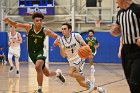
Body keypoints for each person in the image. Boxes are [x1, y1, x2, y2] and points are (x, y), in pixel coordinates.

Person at [3, 12, 65, 93]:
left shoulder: (45, 31)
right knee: (47, 73)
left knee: (37, 66)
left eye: (40, 20)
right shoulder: (28, 27)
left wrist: (57, 40)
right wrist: (8, 20)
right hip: (32, 53)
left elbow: (57, 36)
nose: (39, 22)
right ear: (33, 21)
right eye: (37, 20)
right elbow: (15, 24)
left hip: (40, 52)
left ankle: (39, 89)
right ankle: (58, 73)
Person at [55, 23, 105, 93]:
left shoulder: (76, 36)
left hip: (79, 57)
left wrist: (89, 51)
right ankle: (99, 89)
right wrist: (59, 45)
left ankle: (88, 81)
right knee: (81, 83)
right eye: (62, 29)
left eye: (65, 29)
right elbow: (63, 55)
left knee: (70, 73)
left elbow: (85, 45)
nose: (63, 30)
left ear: (69, 30)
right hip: (71, 61)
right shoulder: (61, 40)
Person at [110, 0, 140, 93]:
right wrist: (115, 30)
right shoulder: (120, 13)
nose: (115, 2)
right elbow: (118, 30)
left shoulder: (137, 9)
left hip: (138, 50)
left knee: (135, 81)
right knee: (130, 82)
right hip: (126, 51)